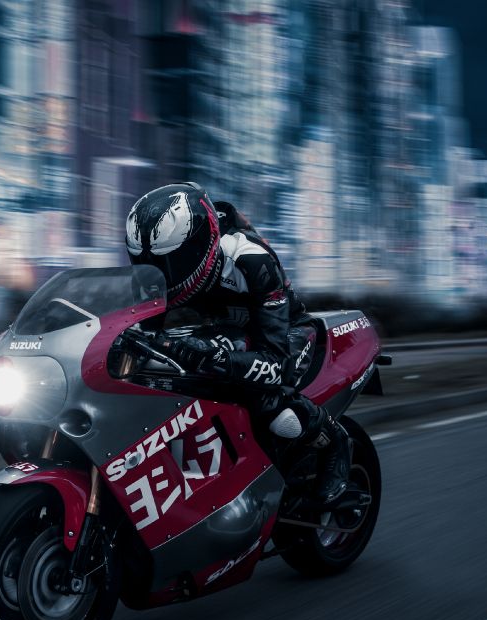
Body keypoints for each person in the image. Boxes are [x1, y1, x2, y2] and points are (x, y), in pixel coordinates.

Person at [124, 181, 350, 506]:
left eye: (172, 261)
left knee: (270, 407)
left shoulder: (250, 260)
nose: (162, 275)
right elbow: (144, 333)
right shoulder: (153, 274)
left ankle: (331, 439)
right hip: (221, 332)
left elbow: (275, 360)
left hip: (287, 332)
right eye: (149, 263)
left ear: (202, 241)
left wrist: (216, 356)